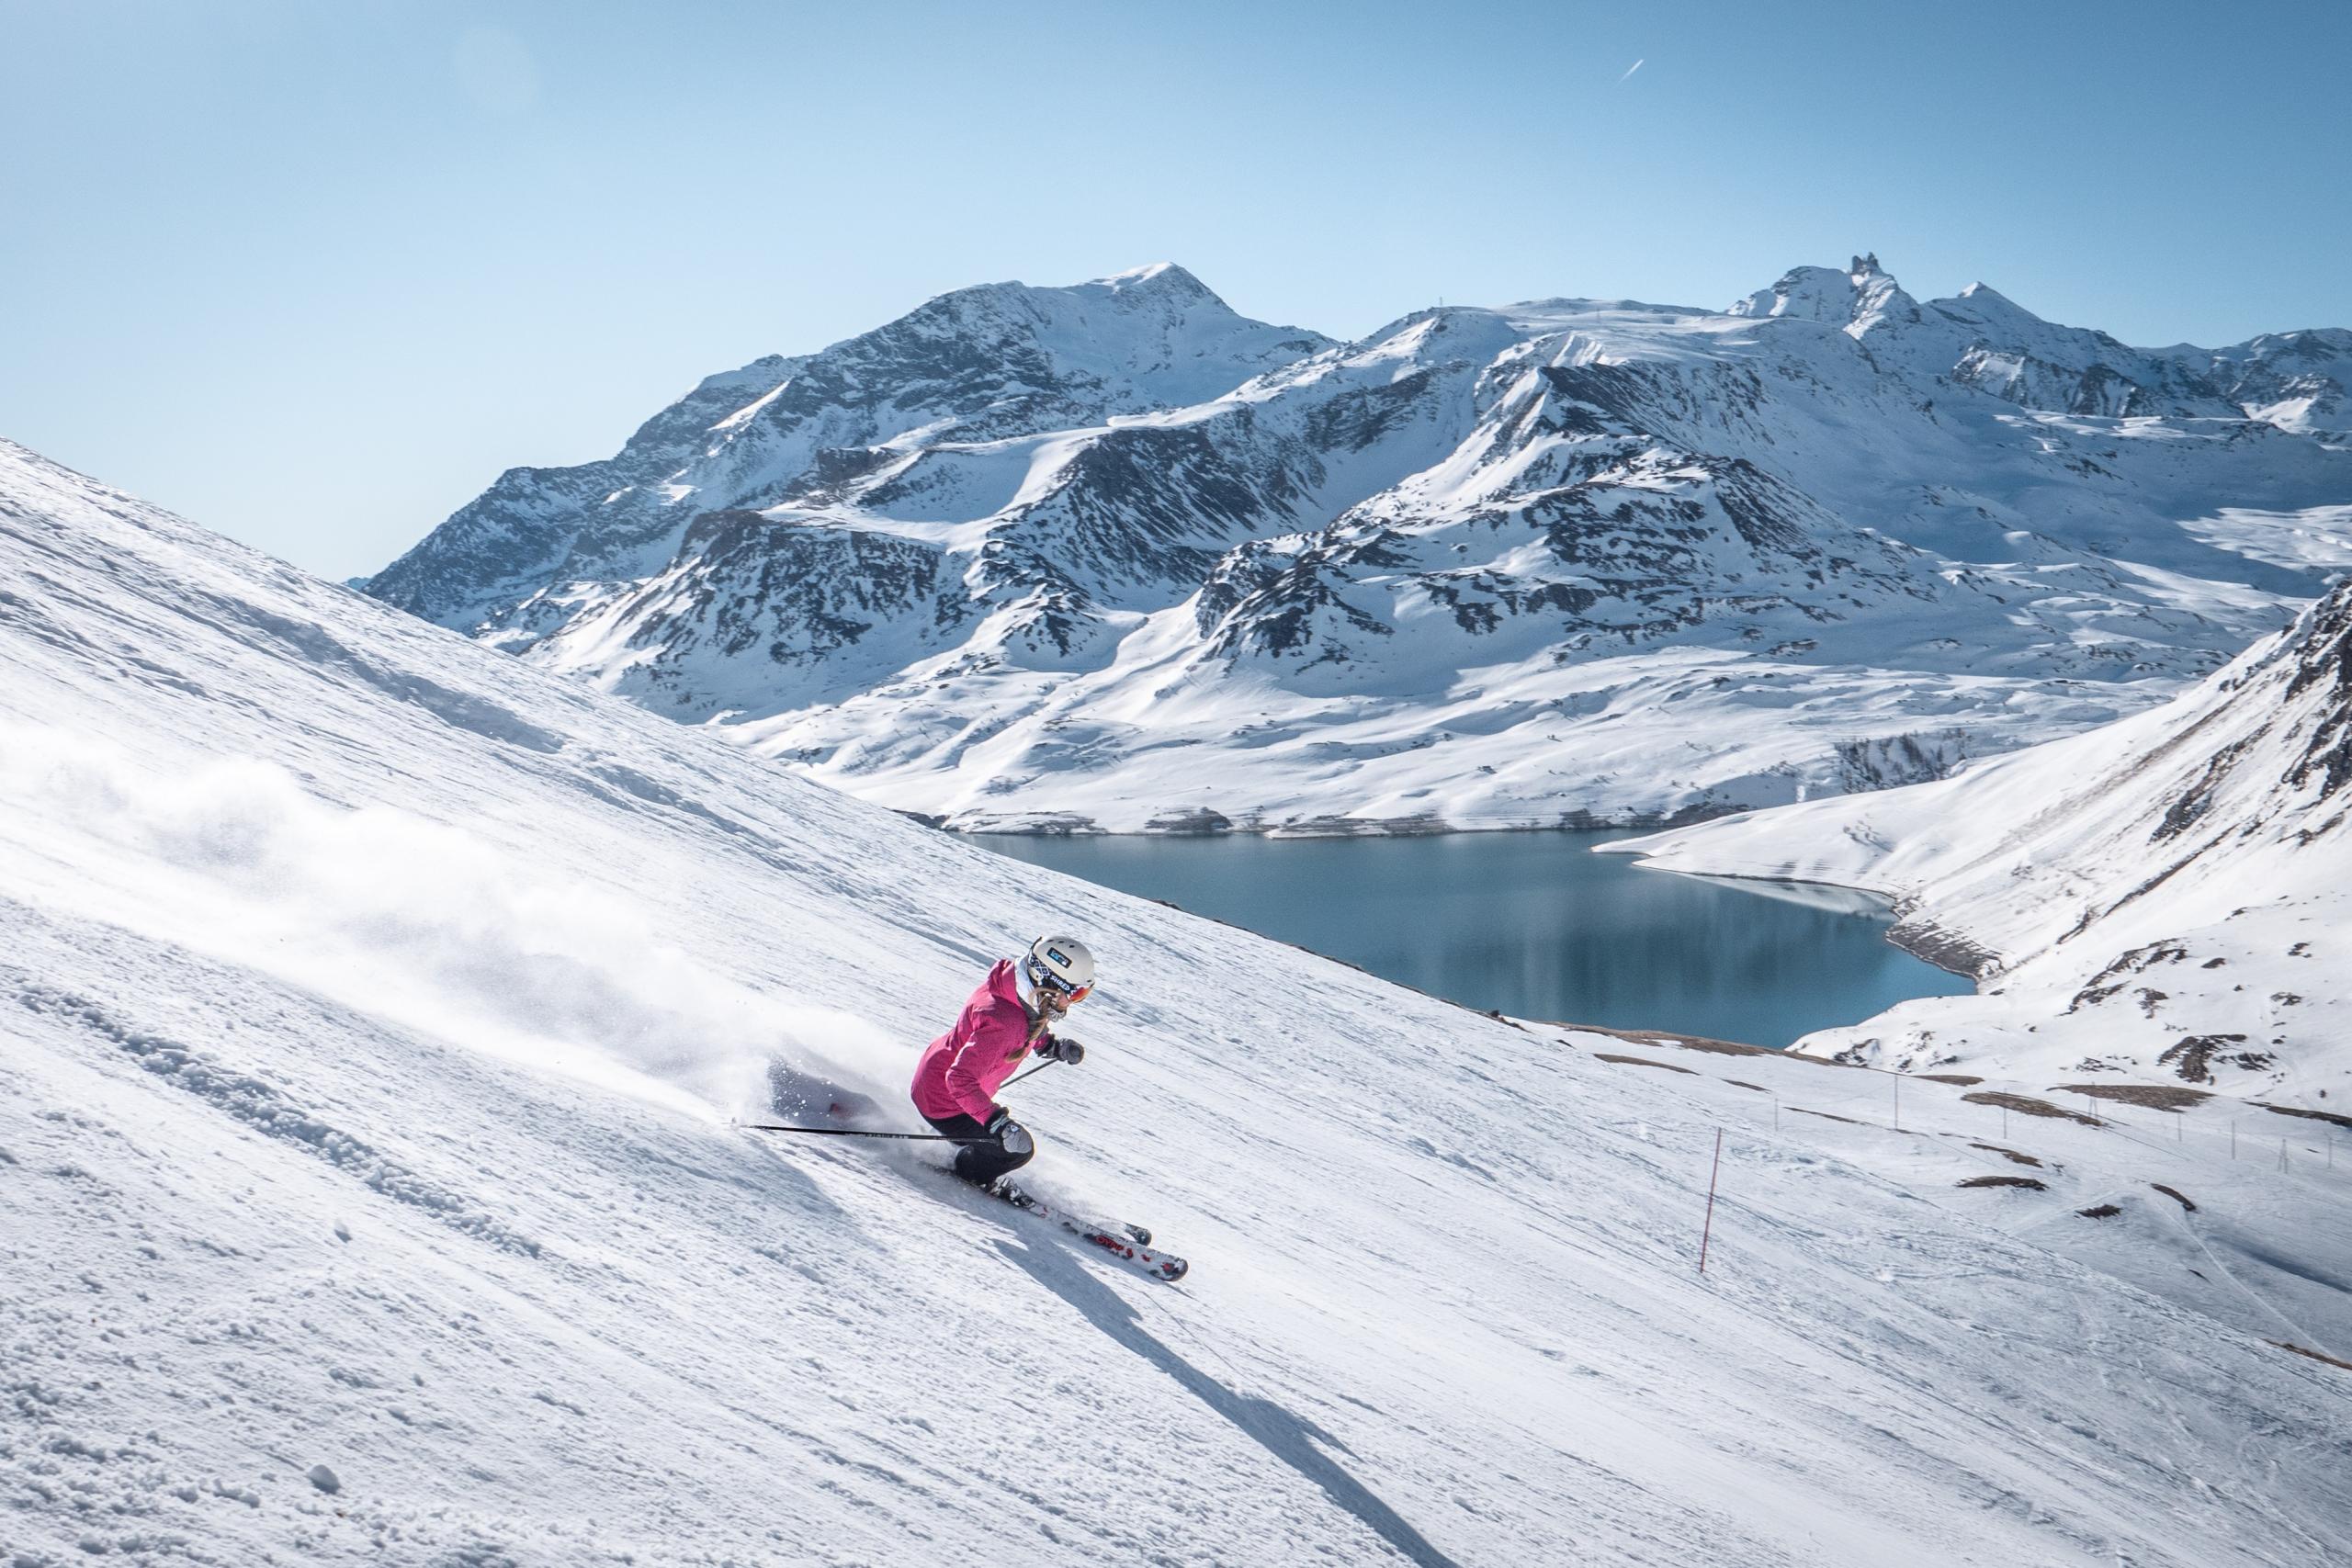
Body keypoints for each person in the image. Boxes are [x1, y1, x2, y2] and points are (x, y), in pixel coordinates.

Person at [910, 934, 1093, 1192]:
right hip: (945, 1102)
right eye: (1075, 993)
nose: (1073, 1002)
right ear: (1049, 983)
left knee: (1008, 1140)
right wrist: (997, 1123)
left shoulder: (1012, 989)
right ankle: (965, 1169)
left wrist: (1050, 1045)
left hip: (936, 1073)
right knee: (1016, 1150)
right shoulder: (1006, 1023)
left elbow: (1027, 1026)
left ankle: (966, 1145)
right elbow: (959, 1079)